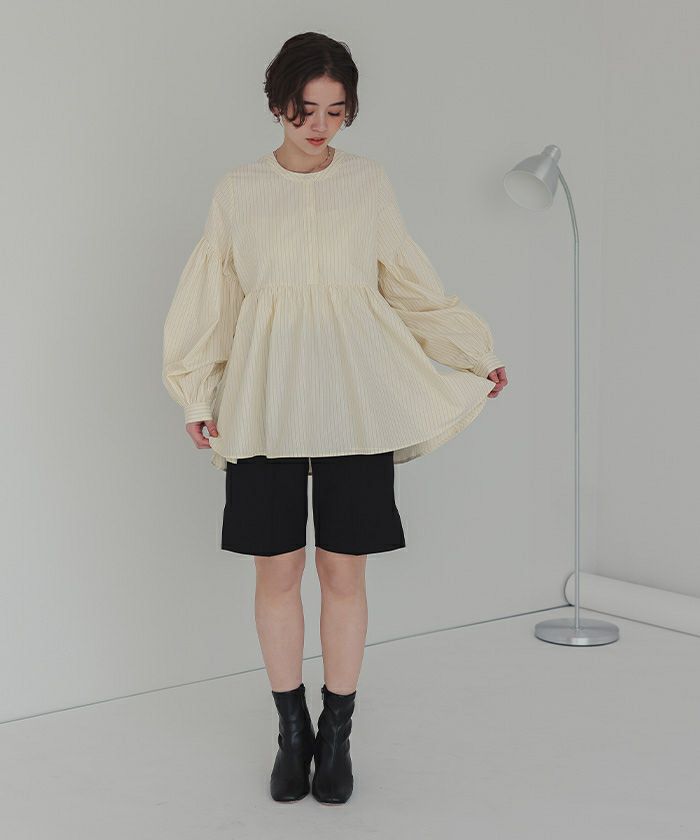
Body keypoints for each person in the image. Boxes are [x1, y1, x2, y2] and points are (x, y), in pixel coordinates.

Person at [161, 32, 508, 805]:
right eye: (305, 109)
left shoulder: (368, 183)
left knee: (342, 571)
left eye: (336, 111)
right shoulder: (238, 191)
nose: (319, 126)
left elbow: (408, 283)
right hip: (265, 403)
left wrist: (471, 351)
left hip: (357, 402)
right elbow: (214, 299)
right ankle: (292, 733)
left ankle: (338, 733)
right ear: (277, 104)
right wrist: (197, 393)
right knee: (277, 571)